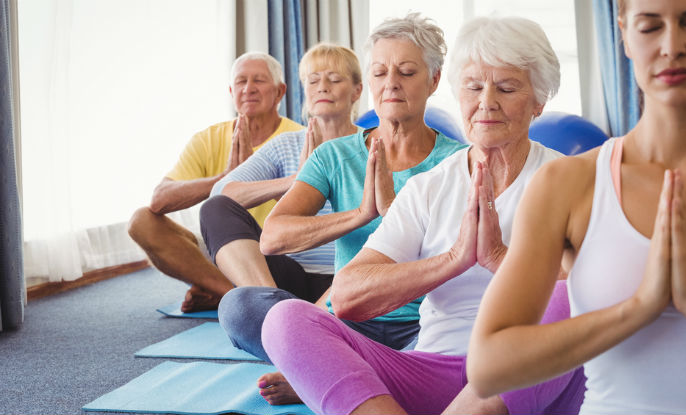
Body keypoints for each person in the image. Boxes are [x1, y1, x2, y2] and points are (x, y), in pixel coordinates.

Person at [260, 16, 586, 415]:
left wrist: (499, 258)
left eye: (506, 87)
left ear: (538, 101)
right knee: (285, 319)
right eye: (473, 87)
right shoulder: (429, 187)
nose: (486, 102)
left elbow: (601, 291)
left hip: (530, 374)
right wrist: (453, 260)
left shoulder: (572, 180)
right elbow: (346, 297)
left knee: (569, 297)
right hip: (435, 369)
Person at [467, 0, 686, 414]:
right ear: (623, 34)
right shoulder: (569, 184)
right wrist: (638, 308)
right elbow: (488, 367)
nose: (672, 45)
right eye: (649, 27)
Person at [233, 12, 466, 405]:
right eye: (379, 72)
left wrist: (396, 213)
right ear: (369, 82)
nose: (390, 83)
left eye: (407, 71)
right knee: (240, 307)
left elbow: (464, 256)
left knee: (472, 346)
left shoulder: (459, 161)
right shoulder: (334, 155)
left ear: (434, 80)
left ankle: (323, 370)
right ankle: (344, 365)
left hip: (426, 326)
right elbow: (272, 238)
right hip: (348, 323)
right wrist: (362, 214)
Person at [201, 43, 363, 361]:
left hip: (350, 279)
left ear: (357, 91)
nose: (323, 87)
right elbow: (221, 193)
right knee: (215, 211)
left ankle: (298, 344)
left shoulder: (372, 146)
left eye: (334, 79)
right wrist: (295, 181)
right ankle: (276, 312)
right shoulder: (287, 145)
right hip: (289, 279)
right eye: (313, 80)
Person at [127, 52, 303, 312]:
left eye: (259, 81)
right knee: (141, 221)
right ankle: (229, 293)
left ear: (280, 92)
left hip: (276, 253)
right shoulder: (208, 138)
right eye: (241, 82)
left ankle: (231, 292)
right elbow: (159, 199)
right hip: (222, 247)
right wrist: (226, 179)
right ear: (232, 91)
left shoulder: (297, 138)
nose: (249, 88)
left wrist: (256, 181)